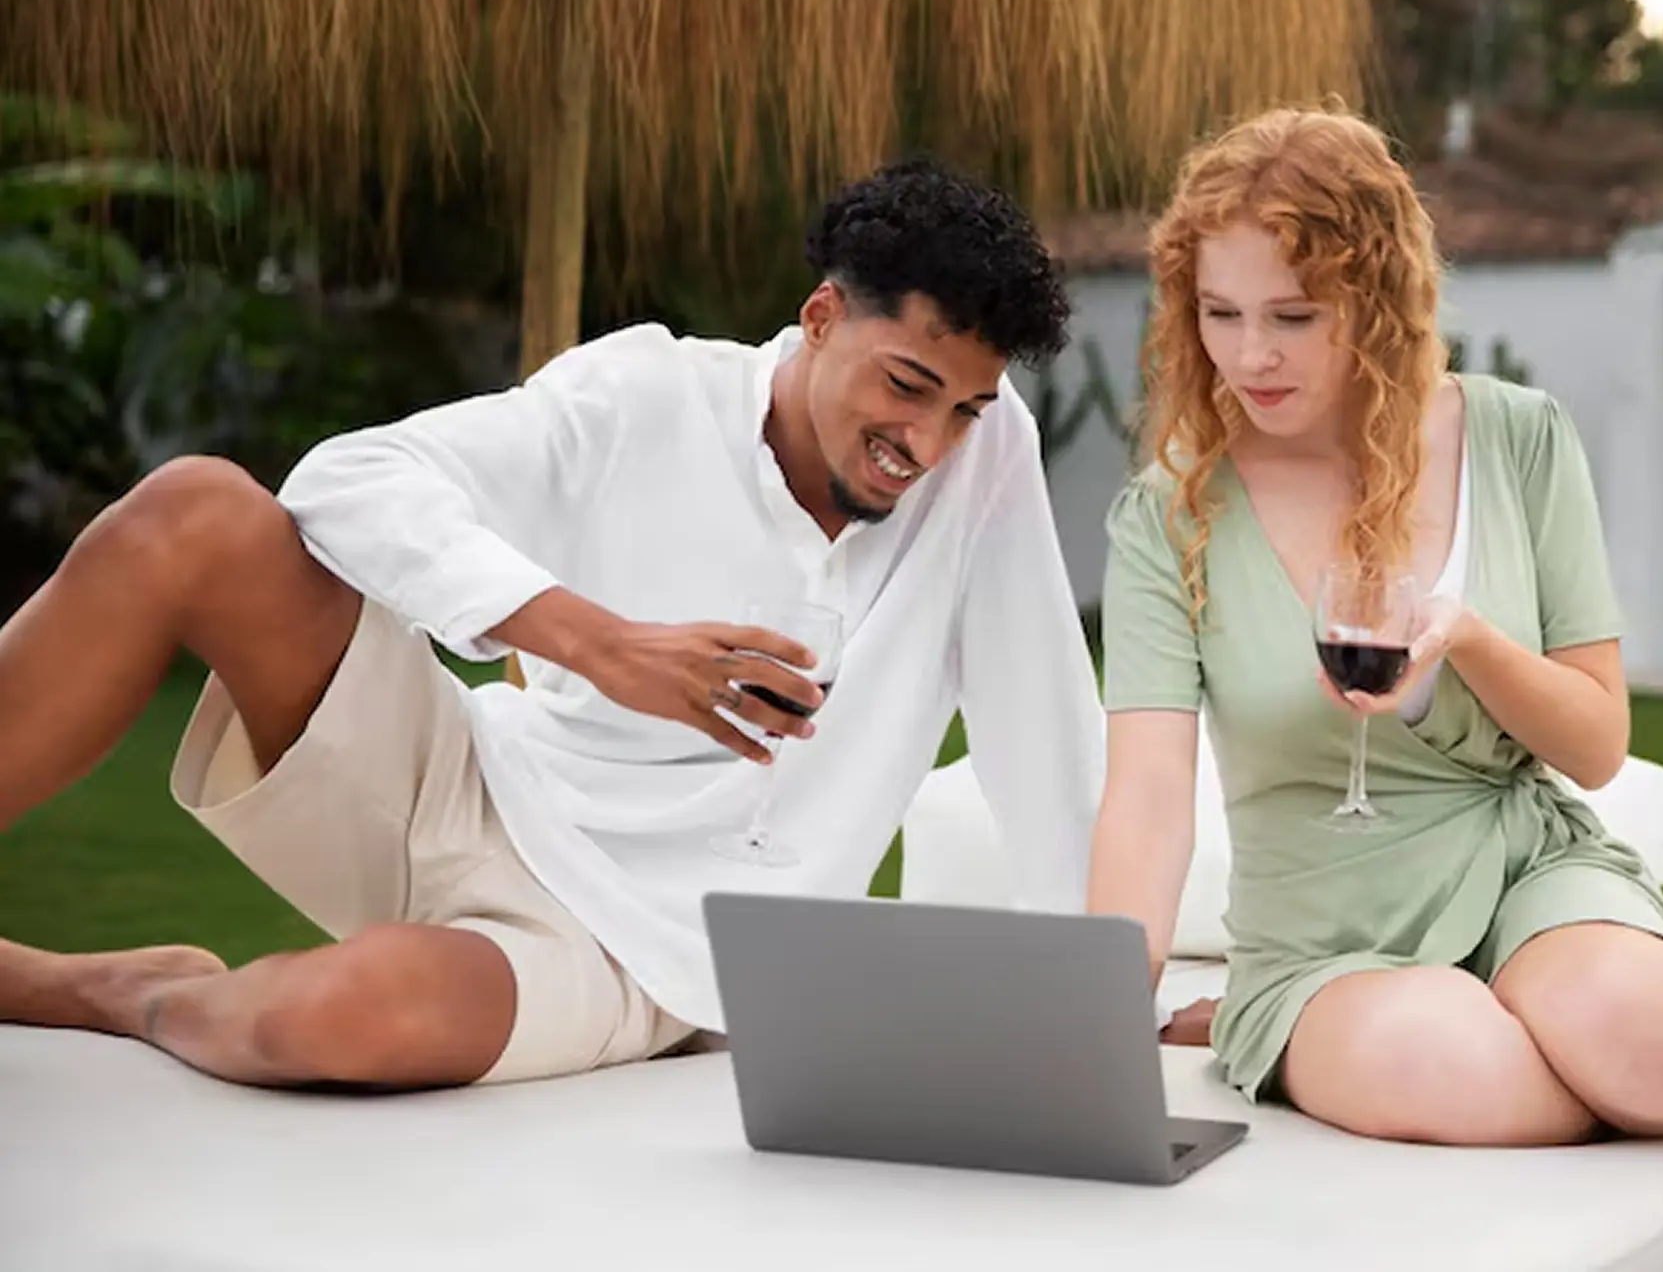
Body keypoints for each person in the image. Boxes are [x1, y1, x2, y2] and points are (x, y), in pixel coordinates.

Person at [0, 156, 1103, 1090]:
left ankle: (122, 991)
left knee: (326, 1024)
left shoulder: (984, 460)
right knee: (195, 516)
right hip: (475, 784)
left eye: (964, 408)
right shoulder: (648, 391)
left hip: (638, 952)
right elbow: (346, 481)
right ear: (820, 318)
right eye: (906, 385)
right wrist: (598, 643)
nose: (927, 442)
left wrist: (1102, 999)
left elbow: (1041, 725)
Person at [1086, 107, 1663, 1143]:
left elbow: (1597, 745)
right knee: (1471, 1076)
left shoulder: (1518, 438)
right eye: (1220, 312)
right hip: (1322, 938)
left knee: (1650, 1048)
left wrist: (1468, 639)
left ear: (1376, 298)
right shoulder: (1169, 515)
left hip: (1530, 874)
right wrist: (1101, 1006)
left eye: (1293, 316)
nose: (1251, 355)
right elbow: (1148, 800)